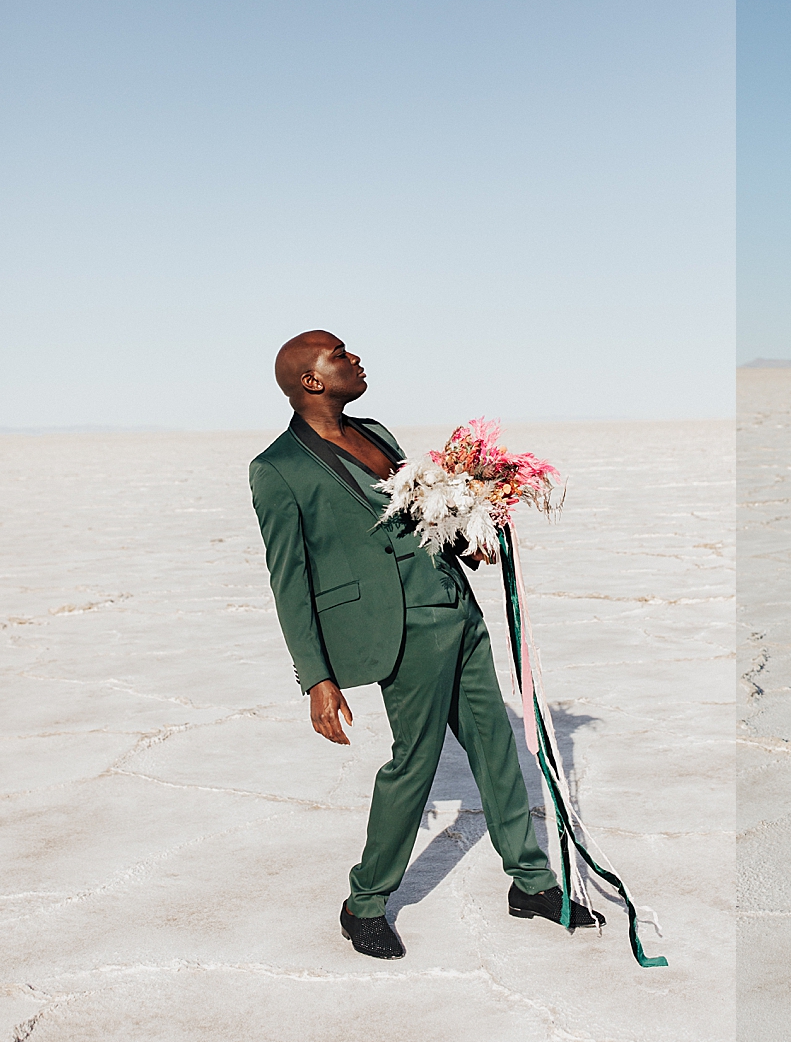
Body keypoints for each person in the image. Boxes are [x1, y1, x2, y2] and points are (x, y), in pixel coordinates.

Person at [248, 330, 600, 959]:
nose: (355, 359)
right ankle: (364, 904)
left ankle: (532, 883)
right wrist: (316, 678)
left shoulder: (377, 433)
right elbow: (289, 580)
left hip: (456, 609)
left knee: (496, 746)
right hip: (400, 631)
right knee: (415, 763)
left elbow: (421, 511)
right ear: (311, 381)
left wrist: (466, 538)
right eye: (340, 355)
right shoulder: (278, 468)